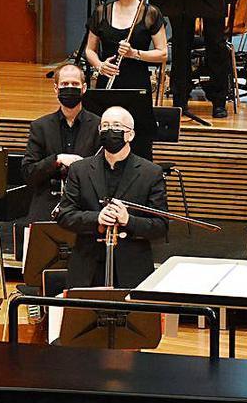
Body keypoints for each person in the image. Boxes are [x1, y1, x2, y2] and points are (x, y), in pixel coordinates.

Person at [55, 107, 169, 288]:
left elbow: (161, 226)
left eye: (116, 126)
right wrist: (96, 218)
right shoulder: (80, 170)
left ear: (130, 134)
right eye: (105, 126)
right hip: (87, 269)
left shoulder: (151, 173)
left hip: (132, 270)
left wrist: (128, 220)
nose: (110, 131)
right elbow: (64, 215)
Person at [22, 64, 101, 224]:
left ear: (84, 88)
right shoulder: (40, 126)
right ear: (56, 89)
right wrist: (57, 159)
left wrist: (82, 166)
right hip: (49, 199)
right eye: (65, 85)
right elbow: (28, 173)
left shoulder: (98, 125)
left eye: (75, 84)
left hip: (86, 201)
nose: (70, 88)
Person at [85, 0, 169, 92]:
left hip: (138, 85)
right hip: (107, 83)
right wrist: (100, 66)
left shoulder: (151, 13)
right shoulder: (101, 12)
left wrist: (134, 53)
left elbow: (163, 54)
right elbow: (89, 50)